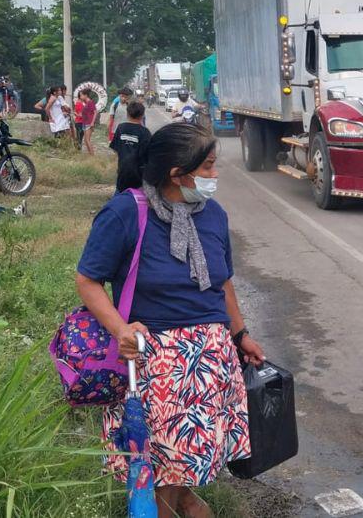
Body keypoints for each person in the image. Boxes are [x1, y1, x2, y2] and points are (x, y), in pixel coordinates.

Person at [76, 122, 264, 517]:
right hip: (158, 364)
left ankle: (187, 503)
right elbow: (88, 280)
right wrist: (120, 329)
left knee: (179, 463)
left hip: (211, 363)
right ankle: (182, 507)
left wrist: (240, 333)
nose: (215, 175)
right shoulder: (126, 213)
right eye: (208, 167)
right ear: (177, 174)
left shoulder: (213, 215)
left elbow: (222, 281)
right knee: (164, 465)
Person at [109, 100, 151, 194]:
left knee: (120, 194)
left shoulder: (121, 128)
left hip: (123, 170)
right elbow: (148, 154)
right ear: (142, 115)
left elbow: (116, 149)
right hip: (138, 173)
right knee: (138, 196)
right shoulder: (145, 132)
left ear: (127, 114)